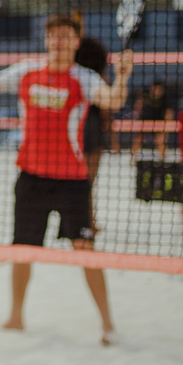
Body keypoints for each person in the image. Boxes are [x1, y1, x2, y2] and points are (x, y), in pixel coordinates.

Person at [0, 15, 131, 346]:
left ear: (75, 42)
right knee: (22, 250)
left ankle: (108, 324)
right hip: (31, 178)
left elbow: (114, 99)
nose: (58, 41)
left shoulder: (84, 78)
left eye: (65, 36)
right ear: (46, 40)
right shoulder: (27, 71)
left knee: (86, 251)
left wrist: (124, 78)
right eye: (53, 35)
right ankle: (15, 317)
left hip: (72, 182)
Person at [74, 36, 111, 232]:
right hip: (93, 129)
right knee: (88, 182)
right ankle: (87, 222)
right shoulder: (99, 80)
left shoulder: (75, 78)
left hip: (76, 128)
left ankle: (86, 222)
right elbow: (106, 112)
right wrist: (113, 137)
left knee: (77, 181)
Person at [131, 79, 175, 159]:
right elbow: (137, 108)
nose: (156, 91)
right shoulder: (144, 94)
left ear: (162, 90)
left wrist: (166, 128)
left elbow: (169, 114)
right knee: (138, 139)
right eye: (154, 89)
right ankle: (132, 157)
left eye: (158, 89)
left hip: (159, 122)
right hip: (145, 121)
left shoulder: (166, 98)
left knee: (160, 140)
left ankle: (163, 159)